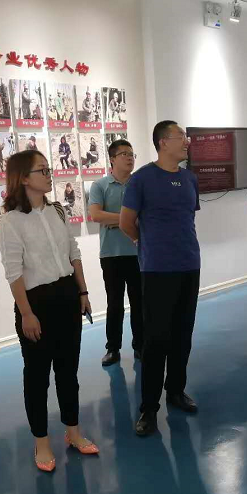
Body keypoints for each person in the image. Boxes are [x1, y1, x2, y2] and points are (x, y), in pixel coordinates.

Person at [0, 150, 99, 471]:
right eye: (41, 170)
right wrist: (26, 313)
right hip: (36, 303)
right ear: (23, 178)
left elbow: (73, 252)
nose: (48, 174)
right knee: (37, 376)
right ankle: (41, 441)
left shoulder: (57, 211)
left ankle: (73, 431)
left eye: (48, 169)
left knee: (68, 371)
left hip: (67, 295)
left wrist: (82, 291)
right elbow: (13, 271)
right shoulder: (11, 221)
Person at [120, 121, 201, 436]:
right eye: (181, 136)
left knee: (183, 334)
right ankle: (149, 408)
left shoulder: (189, 178)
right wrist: (146, 243)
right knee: (155, 340)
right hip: (156, 270)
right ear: (163, 142)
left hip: (189, 265)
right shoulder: (141, 179)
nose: (187, 141)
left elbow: (188, 217)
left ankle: (176, 391)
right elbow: (127, 222)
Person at [89, 139, 143, 366]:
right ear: (112, 159)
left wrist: (114, 219)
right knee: (114, 304)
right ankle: (113, 348)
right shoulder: (100, 185)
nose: (130, 158)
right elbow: (96, 215)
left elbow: (145, 215)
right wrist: (127, 219)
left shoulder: (139, 184)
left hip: (138, 252)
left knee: (140, 302)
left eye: (132, 154)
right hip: (111, 254)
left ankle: (140, 346)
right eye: (124, 154)